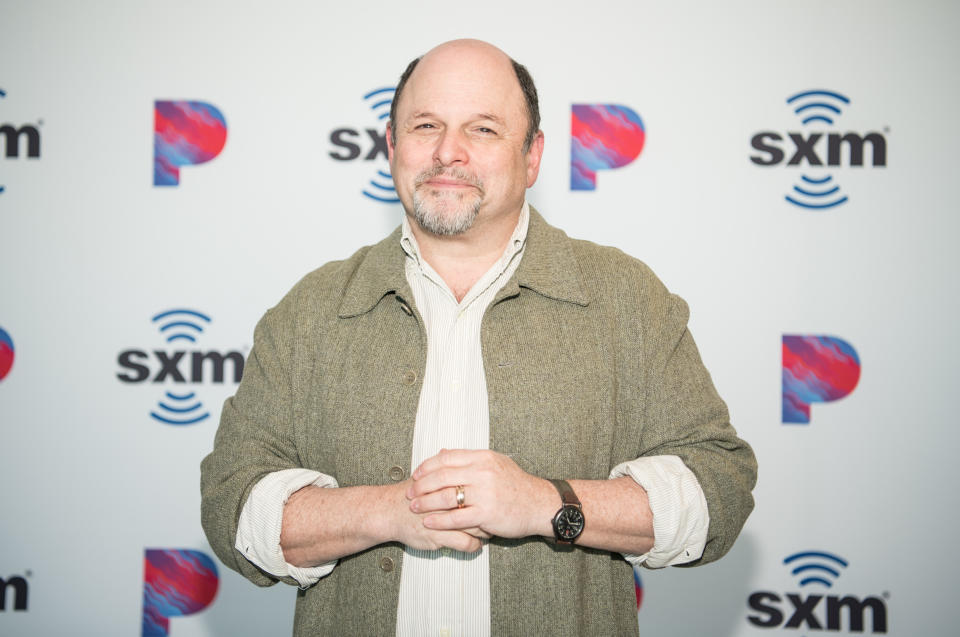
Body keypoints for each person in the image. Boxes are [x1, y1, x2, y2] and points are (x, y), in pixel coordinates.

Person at [201, 39, 756, 636]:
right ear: (391, 146)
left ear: (532, 155)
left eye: (484, 129)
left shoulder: (625, 299)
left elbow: (716, 492)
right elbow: (231, 507)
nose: (448, 152)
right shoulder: (311, 311)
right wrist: (392, 510)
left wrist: (546, 504)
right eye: (425, 125)